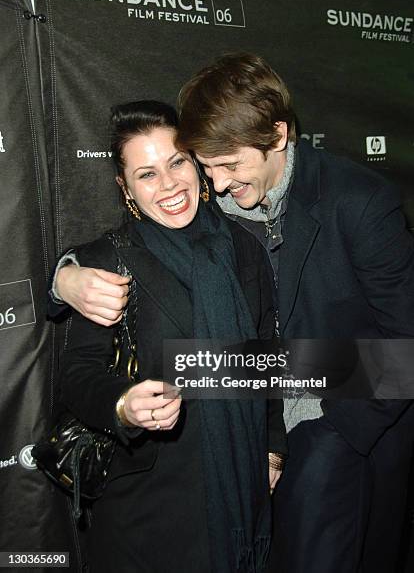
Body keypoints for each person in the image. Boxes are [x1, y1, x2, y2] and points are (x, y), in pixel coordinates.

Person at [53, 54, 414, 573]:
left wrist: (307, 423)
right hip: (190, 484)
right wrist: (64, 278)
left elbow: (401, 346)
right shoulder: (205, 212)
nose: (215, 185)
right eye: (206, 164)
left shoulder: (355, 204)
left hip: (334, 431)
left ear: (278, 136)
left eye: (192, 164)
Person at [53, 99, 287, 573]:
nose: (169, 185)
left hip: (242, 489)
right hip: (150, 510)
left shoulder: (245, 248)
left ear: (197, 162)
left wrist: (272, 448)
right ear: (126, 188)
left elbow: (266, 359)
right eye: (147, 174)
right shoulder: (105, 260)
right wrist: (123, 403)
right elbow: (77, 374)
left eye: (177, 162)